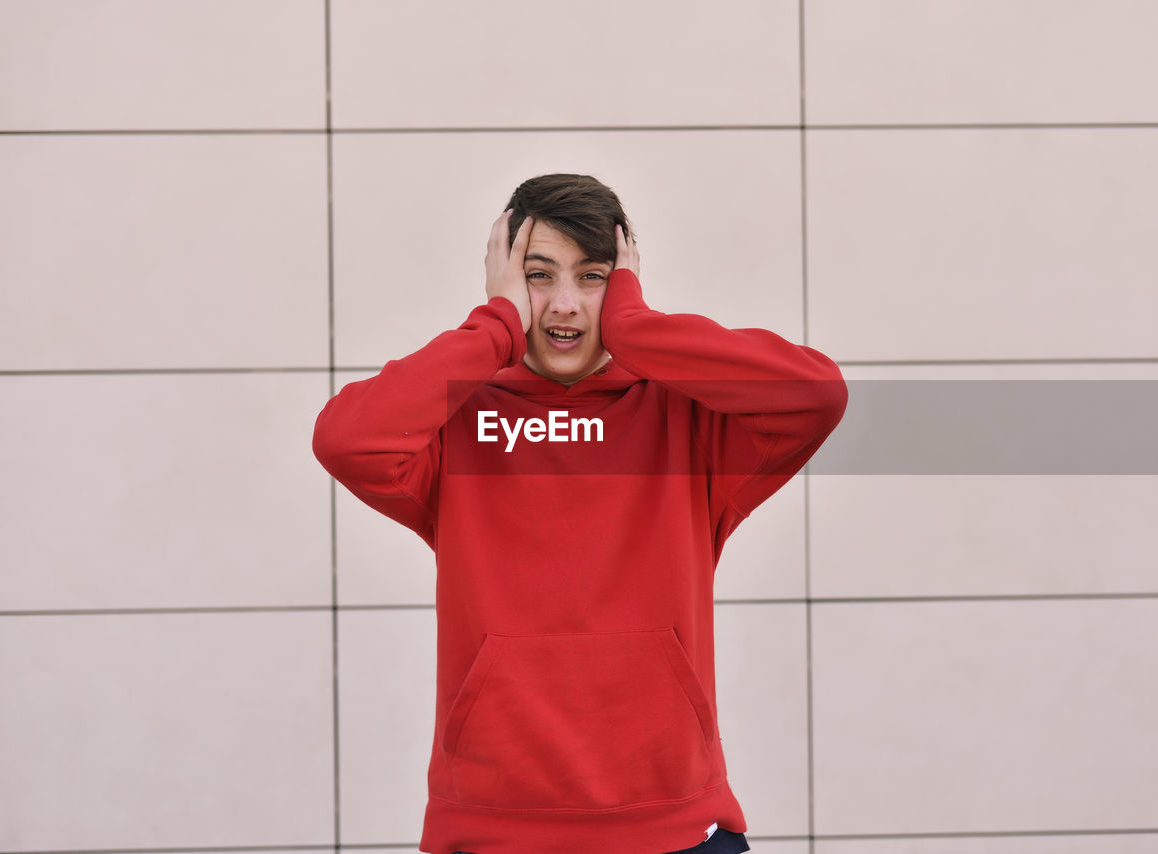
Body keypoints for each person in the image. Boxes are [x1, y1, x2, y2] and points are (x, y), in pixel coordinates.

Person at [312, 174, 847, 854]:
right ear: (502, 279)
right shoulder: (454, 424)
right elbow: (345, 439)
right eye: (539, 275)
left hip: (675, 828)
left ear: (623, 282)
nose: (565, 305)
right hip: (493, 833)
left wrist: (636, 328)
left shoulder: (687, 422)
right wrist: (496, 328)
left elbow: (817, 394)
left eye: (591, 277)